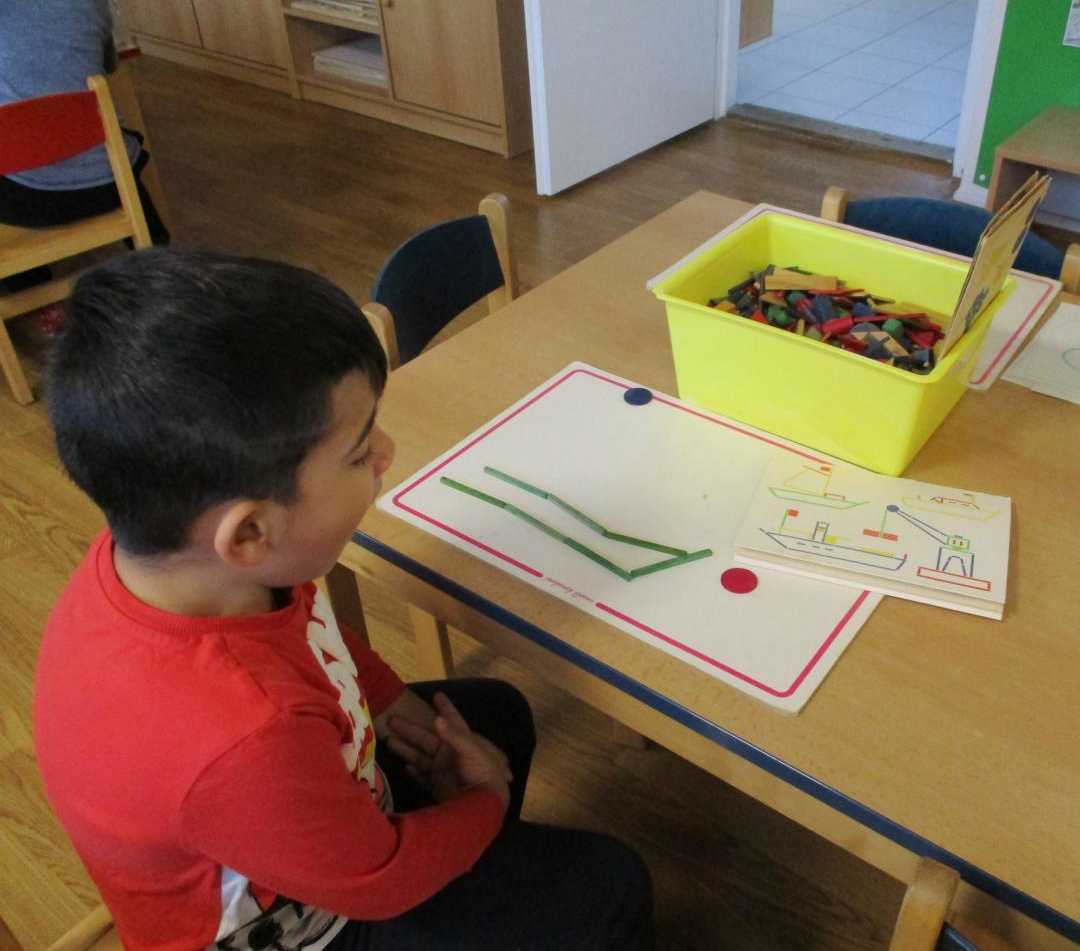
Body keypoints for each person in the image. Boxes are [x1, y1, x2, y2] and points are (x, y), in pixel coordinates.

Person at [33, 249, 653, 951]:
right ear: (250, 533)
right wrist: (484, 803)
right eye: (359, 453)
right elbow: (378, 878)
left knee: (496, 715)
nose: (386, 452)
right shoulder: (243, 735)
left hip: (307, 812)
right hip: (303, 929)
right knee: (611, 884)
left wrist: (394, 708)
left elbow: (315, 638)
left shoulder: (197, 565)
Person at [0, 0, 170, 244]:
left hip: (23, 200)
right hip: (113, 181)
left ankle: (22, 269)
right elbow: (109, 64)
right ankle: (152, 243)